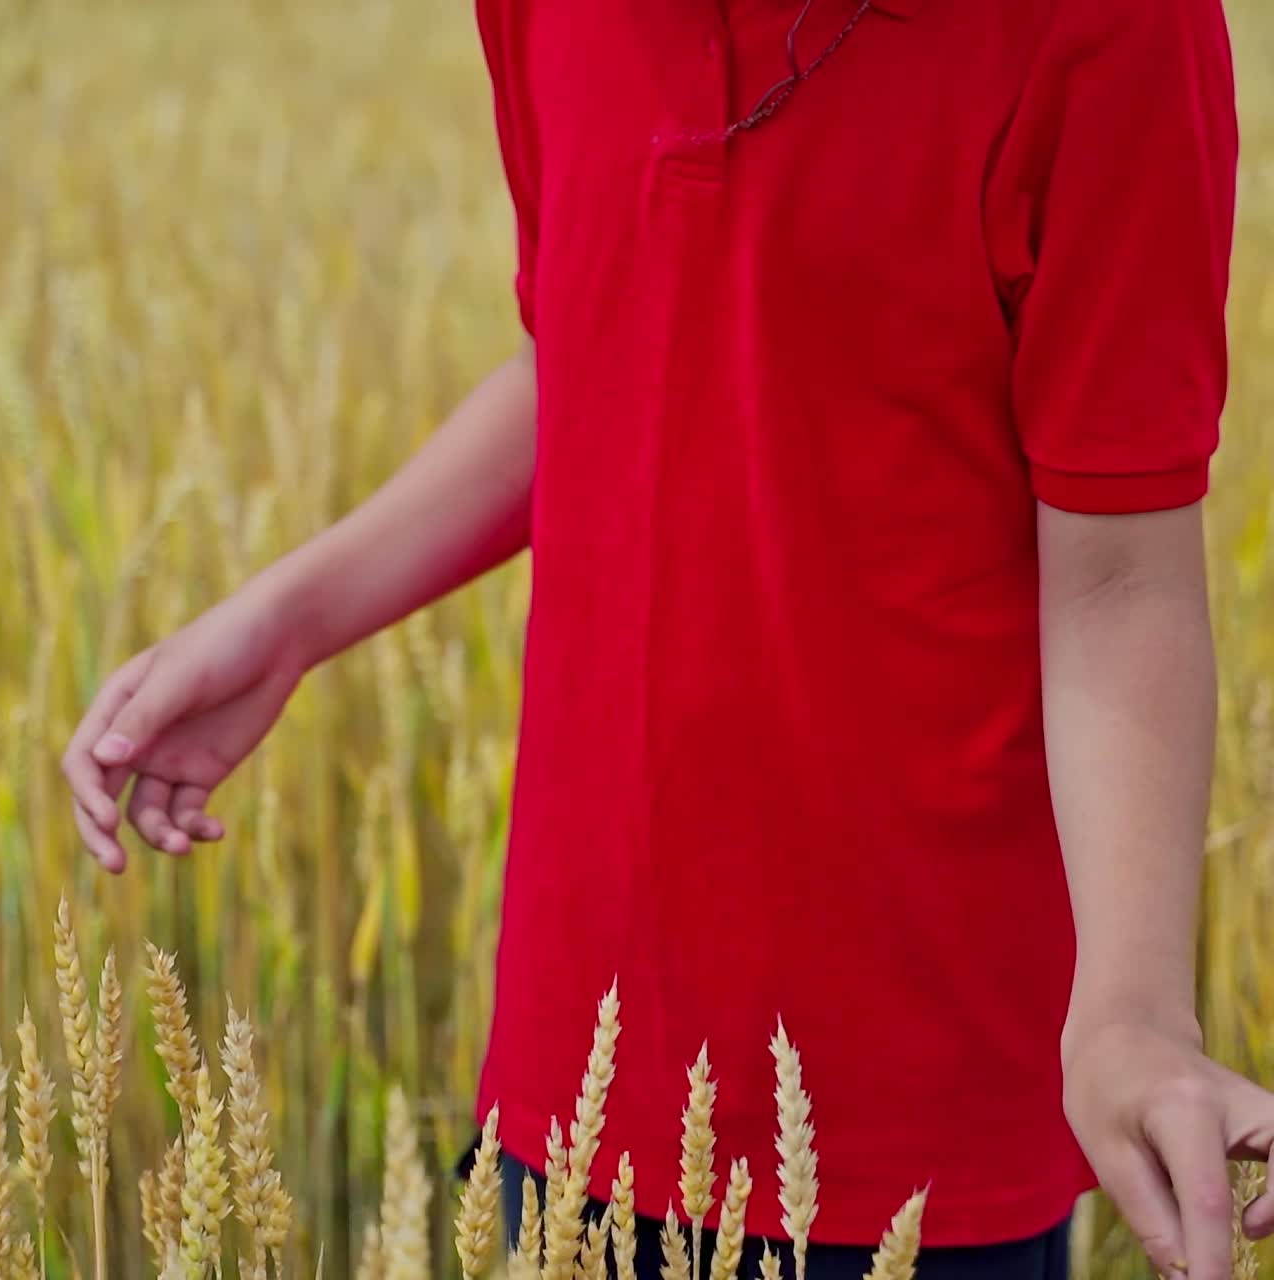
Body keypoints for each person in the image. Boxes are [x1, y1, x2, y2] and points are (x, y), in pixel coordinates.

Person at [62, 0, 1269, 1276]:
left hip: (912, 1118)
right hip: (576, 1065)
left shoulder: (1108, 29)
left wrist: (1132, 1010)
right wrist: (289, 621)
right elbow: (591, 354)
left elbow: (1117, 576)